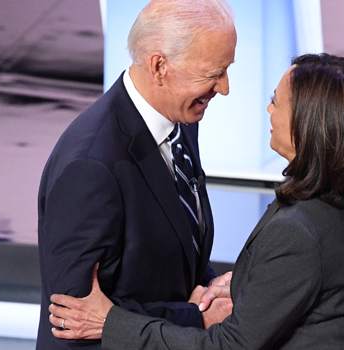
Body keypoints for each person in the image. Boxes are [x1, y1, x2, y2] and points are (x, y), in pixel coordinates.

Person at [47, 53, 344, 349]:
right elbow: (327, 276)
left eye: (277, 101)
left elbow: (228, 347)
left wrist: (109, 323)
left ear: (312, 126)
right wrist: (254, 281)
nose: (268, 109)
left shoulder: (297, 233)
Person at [35, 1, 236, 349]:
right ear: (160, 66)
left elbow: (178, 248)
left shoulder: (180, 122)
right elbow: (72, 317)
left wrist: (212, 291)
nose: (224, 87)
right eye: (212, 73)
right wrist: (197, 317)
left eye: (226, 70)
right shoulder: (90, 166)